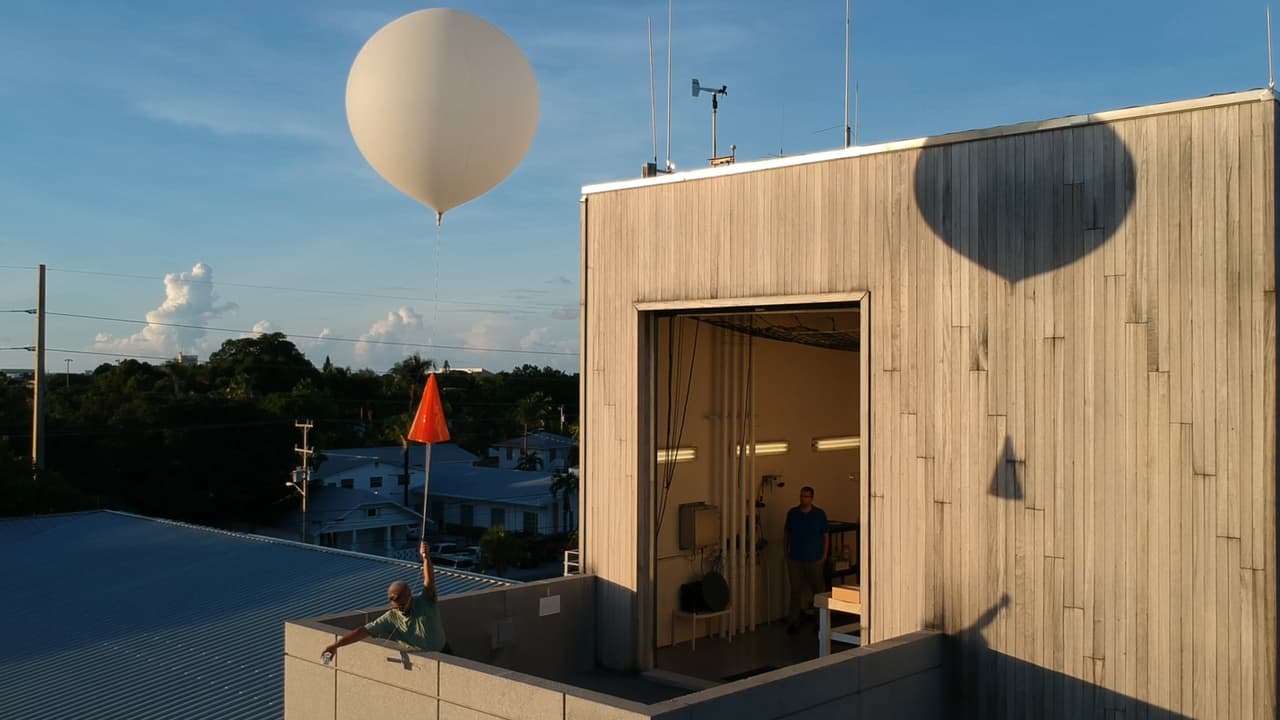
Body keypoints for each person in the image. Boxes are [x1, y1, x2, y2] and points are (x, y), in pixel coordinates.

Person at [323, 541, 450, 659]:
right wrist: (336, 645)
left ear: (409, 597)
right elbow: (363, 631)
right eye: (395, 606)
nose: (399, 609)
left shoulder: (425, 601)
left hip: (444, 653)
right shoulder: (391, 618)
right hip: (423, 660)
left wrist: (426, 556)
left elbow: (429, 582)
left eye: (402, 605)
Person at [784, 485, 829, 634]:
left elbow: (825, 536)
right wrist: (786, 552)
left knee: (818, 591)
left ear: (812, 498)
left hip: (814, 558)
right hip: (796, 558)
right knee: (795, 590)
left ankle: (820, 621)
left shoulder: (819, 515)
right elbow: (787, 533)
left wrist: (824, 555)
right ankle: (793, 620)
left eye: (807, 496)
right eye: (802, 496)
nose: (804, 499)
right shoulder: (793, 514)